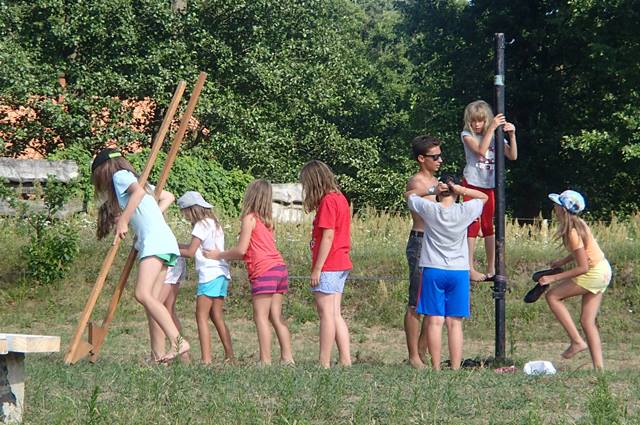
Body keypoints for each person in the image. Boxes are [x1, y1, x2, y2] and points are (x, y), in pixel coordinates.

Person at [92, 148, 189, 363]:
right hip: (163, 240)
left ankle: (178, 342)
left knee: (142, 294)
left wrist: (125, 220)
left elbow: (138, 194)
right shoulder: (138, 180)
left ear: (103, 171)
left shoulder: (119, 176)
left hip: (155, 242)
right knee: (153, 302)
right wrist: (150, 218)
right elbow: (167, 196)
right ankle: (158, 356)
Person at [203, 180, 293, 366]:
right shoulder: (268, 221)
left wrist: (218, 255)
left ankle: (265, 361)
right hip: (279, 268)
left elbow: (241, 250)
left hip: (264, 269)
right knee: (276, 316)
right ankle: (287, 357)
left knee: (260, 316)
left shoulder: (249, 219)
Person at [405, 175, 487, 370]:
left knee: (435, 320)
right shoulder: (464, 210)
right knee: (455, 322)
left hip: (433, 268)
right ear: (455, 192)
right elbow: (483, 197)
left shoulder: (430, 209)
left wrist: (432, 190)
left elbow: (408, 195)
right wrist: (461, 190)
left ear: (440, 192)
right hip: (459, 270)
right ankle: (456, 367)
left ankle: (435, 366)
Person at [539, 190, 611, 369]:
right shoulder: (580, 224)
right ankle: (599, 369)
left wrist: (552, 278)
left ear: (563, 209)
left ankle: (577, 341)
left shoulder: (572, 232)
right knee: (587, 321)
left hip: (593, 273)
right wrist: (562, 262)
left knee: (553, 296)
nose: (554, 207)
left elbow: (583, 267)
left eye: (557, 205)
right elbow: (583, 251)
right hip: (604, 270)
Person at [299, 160, 352, 368]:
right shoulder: (340, 198)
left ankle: (324, 362)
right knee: (335, 313)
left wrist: (317, 268)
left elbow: (328, 236)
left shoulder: (328, 201)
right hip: (341, 261)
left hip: (330, 264)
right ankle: (345, 359)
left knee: (326, 314)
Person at [461, 100, 518, 281]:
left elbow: (512, 155)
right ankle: (469, 267)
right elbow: (480, 150)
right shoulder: (467, 135)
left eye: (480, 121)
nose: (477, 125)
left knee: (488, 225)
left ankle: (491, 267)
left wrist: (512, 135)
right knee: (472, 224)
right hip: (472, 183)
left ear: (486, 120)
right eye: (473, 121)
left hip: (488, 185)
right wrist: (492, 127)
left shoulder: (495, 135)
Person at [177, 191, 234, 364]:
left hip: (209, 274)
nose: (184, 216)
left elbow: (190, 252)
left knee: (201, 316)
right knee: (216, 315)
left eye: (184, 212)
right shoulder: (213, 223)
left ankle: (206, 360)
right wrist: (176, 244)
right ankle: (230, 356)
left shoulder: (200, 225)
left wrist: (169, 249)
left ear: (191, 209)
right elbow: (194, 247)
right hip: (222, 273)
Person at [404, 135, 442, 369]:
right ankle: (413, 356)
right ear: (421, 158)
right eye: (434, 157)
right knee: (415, 302)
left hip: (437, 243)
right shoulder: (416, 182)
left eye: (440, 156)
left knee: (433, 303)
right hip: (420, 242)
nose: (439, 160)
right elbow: (413, 196)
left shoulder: (435, 181)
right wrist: (436, 190)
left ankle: (422, 350)